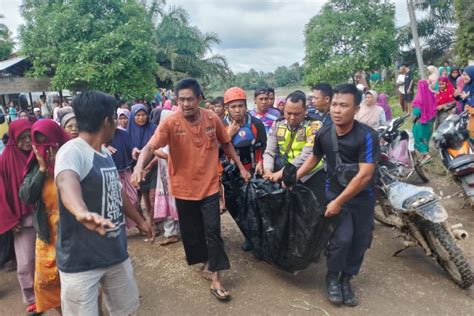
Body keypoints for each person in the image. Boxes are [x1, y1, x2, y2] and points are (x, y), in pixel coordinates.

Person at [132, 78, 251, 301]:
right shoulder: (170, 122)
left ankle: (216, 278)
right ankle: (205, 260)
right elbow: (151, 146)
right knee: (192, 233)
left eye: (189, 99)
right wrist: (139, 166)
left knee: (213, 230)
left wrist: (240, 167)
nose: (185, 104)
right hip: (182, 188)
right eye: (180, 100)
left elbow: (226, 143)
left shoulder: (211, 118)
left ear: (199, 99)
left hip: (209, 186)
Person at [54, 91, 154, 315]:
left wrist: (140, 221)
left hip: (114, 253)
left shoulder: (104, 153)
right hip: (81, 262)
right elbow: (66, 181)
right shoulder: (71, 152)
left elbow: (116, 195)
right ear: (107, 121)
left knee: (126, 310)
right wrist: (81, 212)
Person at [292, 83, 380, 307]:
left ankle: (346, 279)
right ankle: (332, 277)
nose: (337, 110)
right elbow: (315, 157)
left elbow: (364, 175)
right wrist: (295, 176)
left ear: (356, 109)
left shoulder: (367, 136)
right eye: (335, 105)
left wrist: (339, 202)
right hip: (334, 193)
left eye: (344, 105)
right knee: (342, 239)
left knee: (361, 240)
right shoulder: (324, 132)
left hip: (362, 198)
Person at [19, 119, 70, 315]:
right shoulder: (34, 166)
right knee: (49, 282)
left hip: (74, 231)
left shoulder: (72, 158)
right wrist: (41, 170)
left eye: (48, 141)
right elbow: (26, 195)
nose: (46, 149)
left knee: (81, 279)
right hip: (48, 234)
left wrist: (60, 162)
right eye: (39, 142)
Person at [263, 90, 326, 205]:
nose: (291, 117)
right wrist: (268, 171)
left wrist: (281, 173)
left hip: (311, 175)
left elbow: (306, 155)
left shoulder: (314, 125)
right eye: (288, 113)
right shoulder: (278, 124)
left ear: (305, 111)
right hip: (286, 175)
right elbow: (269, 152)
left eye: (296, 114)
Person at [223, 87, 267, 251]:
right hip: (231, 175)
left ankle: (259, 237)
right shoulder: (221, 125)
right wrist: (229, 134)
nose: (237, 110)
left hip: (254, 172)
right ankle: (248, 235)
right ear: (227, 108)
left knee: (255, 206)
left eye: (240, 106)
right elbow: (215, 150)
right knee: (234, 206)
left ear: (246, 106)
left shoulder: (256, 124)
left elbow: (265, 147)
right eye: (233, 107)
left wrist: (262, 163)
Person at [0, 119, 36, 313]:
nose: (27, 141)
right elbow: (1, 192)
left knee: (48, 256)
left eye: (30, 137)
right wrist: (10, 219)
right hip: (21, 219)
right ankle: (31, 296)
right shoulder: (5, 159)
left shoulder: (39, 153)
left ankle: (51, 291)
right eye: (22, 138)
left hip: (43, 214)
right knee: (26, 260)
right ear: (14, 138)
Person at [128, 104, 158, 230]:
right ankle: (148, 221)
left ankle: (154, 221)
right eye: (138, 115)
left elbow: (158, 145)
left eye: (143, 114)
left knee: (153, 196)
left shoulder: (154, 128)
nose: (141, 118)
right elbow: (126, 147)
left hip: (154, 165)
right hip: (135, 168)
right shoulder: (127, 132)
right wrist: (133, 151)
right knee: (143, 196)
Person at [412, 80, 437, 163]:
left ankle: (426, 155)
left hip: (421, 122)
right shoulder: (431, 95)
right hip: (430, 121)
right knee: (425, 138)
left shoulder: (419, 98)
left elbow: (417, 112)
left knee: (417, 139)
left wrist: (413, 119)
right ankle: (424, 156)